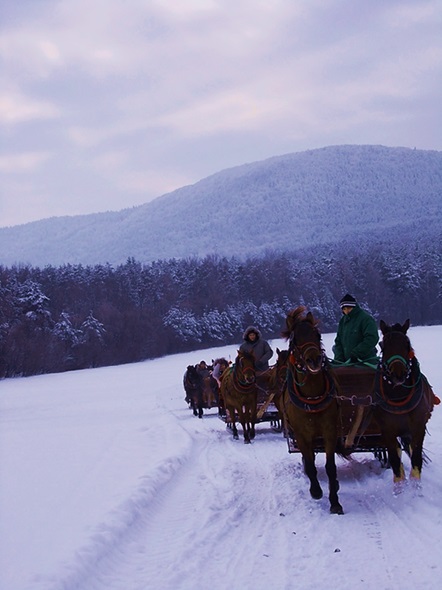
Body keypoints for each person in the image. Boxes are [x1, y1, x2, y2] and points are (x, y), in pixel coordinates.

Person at [333, 294, 379, 365]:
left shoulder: (365, 319)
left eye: (349, 308)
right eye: (344, 309)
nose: (347, 311)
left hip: (365, 362)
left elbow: (372, 338)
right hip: (345, 363)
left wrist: (357, 353)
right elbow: (338, 341)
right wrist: (339, 357)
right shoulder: (343, 321)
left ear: (354, 307)